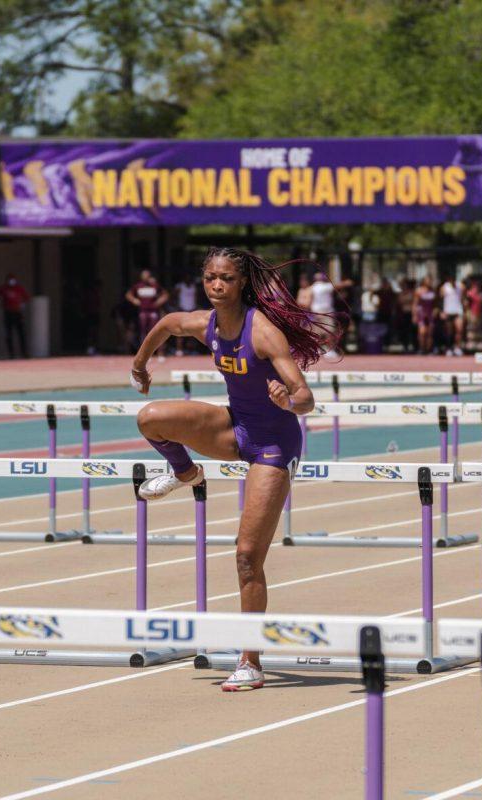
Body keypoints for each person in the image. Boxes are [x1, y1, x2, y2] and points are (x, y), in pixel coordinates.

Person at [129, 248, 346, 692]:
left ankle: (251, 660)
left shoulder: (262, 332)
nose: (216, 286)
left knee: (248, 557)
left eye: (226, 278)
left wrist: (289, 400)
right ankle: (186, 473)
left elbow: (306, 396)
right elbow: (168, 323)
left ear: (241, 282)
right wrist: (139, 364)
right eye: (210, 277)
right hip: (235, 428)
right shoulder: (206, 324)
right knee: (150, 418)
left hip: (272, 444)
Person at [126, 270, 169, 357]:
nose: (146, 277)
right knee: (143, 333)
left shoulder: (155, 286)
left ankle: (160, 352)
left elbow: (165, 294)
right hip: (143, 312)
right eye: (144, 276)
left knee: (155, 332)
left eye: (147, 275)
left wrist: (159, 301)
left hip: (153, 312)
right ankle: (144, 354)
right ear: (141, 277)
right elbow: (128, 295)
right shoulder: (138, 286)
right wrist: (135, 300)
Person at [0, 273, 30, 358]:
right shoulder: (3, 288)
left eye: (13, 279)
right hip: (8, 313)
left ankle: (24, 353)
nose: (11, 281)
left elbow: (26, 297)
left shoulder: (18, 288)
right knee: (9, 334)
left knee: (21, 333)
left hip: (17, 313)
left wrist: (22, 305)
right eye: (10, 279)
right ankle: (11, 354)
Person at [438, 276, 465, 356]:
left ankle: (457, 348)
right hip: (448, 311)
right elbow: (440, 300)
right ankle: (449, 348)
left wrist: (465, 310)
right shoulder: (444, 287)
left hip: (458, 311)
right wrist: (441, 311)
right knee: (449, 332)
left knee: (459, 330)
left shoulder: (461, 286)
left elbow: (463, 298)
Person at [413, 276, 437, 354]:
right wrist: (414, 315)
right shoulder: (418, 291)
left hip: (430, 313)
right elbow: (415, 304)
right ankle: (422, 348)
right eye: (427, 280)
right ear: (424, 281)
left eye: (430, 281)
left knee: (430, 333)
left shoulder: (433, 291)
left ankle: (429, 349)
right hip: (422, 313)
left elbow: (435, 303)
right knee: (422, 332)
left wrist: (435, 310)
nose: (429, 282)